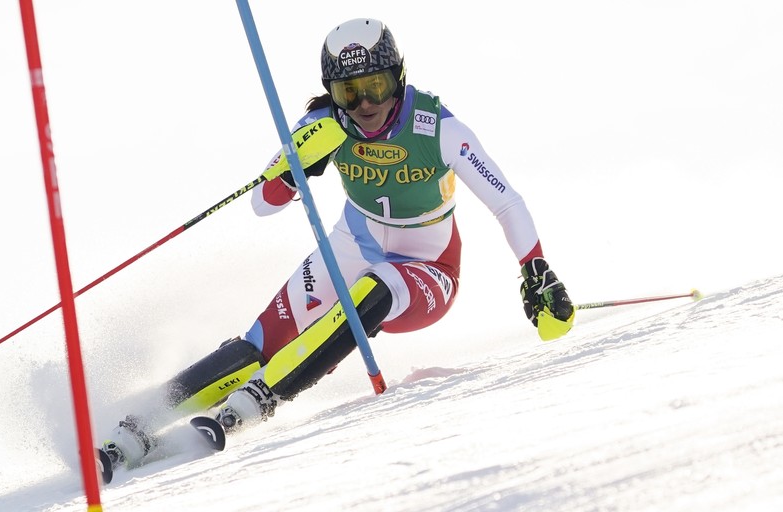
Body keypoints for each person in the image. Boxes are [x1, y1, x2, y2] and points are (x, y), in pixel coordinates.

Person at [100, 17, 574, 470]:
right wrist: (291, 169)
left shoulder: (438, 127)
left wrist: (536, 269)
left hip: (429, 267)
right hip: (352, 243)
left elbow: (507, 203)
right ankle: (141, 422)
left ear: (399, 78)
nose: (365, 103)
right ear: (333, 91)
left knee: (377, 287)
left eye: (377, 86)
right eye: (350, 91)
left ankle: (264, 394)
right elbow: (263, 203)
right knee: (264, 339)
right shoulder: (325, 125)